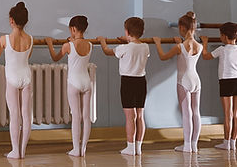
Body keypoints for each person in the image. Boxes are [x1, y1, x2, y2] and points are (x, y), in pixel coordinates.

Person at [0, 2, 33, 159]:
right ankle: (23, 150)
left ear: (11, 20)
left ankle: (15, 150)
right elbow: (27, 57)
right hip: (26, 77)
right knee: (26, 115)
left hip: (12, 79)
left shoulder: (5, 39)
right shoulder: (30, 39)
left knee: (15, 114)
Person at [99, 17, 149, 156]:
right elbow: (135, 46)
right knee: (139, 116)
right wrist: (128, 40)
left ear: (126, 31)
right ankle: (138, 147)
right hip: (141, 82)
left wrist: (103, 41)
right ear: (142, 31)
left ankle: (130, 147)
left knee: (129, 116)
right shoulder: (145, 46)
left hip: (128, 82)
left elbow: (107, 51)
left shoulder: (123, 48)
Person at [154, 12, 202, 153]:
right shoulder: (198, 45)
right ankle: (194, 144)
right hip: (196, 80)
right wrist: (179, 43)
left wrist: (158, 44)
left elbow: (163, 57)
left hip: (183, 80)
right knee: (195, 112)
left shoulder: (180, 47)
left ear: (181, 28)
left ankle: (187, 145)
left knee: (186, 113)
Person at [46, 15, 92, 157]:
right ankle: (83, 149)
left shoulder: (68, 46)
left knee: (76, 116)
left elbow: (55, 57)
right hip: (87, 82)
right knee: (86, 116)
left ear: (72, 29)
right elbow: (79, 44)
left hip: (74, 82)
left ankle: (75, 149)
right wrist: (72, 40)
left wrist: (49, 44)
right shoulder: (90, 45)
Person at [202, 22, 237, 150]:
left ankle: (226, 143)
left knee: (228, 114)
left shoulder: (222, 49)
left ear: (223, 36)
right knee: (236, 114)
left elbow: (205, 56)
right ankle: (233, 142)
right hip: (236, 80)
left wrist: (205, 43)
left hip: (226, 81)